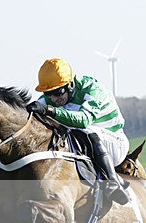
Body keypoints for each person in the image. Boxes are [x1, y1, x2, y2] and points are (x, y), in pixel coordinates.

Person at [26, 58, 130, 205]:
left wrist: (49, 110)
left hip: (113, 142)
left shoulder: (92, 89)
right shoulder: (53, 96)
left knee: (83, 130)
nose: (54, 98)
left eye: (58, 92)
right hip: (84, 142)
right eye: (48, 93)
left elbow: (83, 120)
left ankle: (112, 182)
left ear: (71, 84)